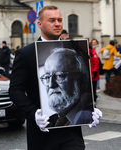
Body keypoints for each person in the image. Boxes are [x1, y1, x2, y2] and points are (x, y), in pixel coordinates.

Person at [9, 6, 102, 150]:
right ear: (39, 24)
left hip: (72, 134)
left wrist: (90, 109)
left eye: (59, 20)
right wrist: (33, 113)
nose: (57, 24)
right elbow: (15, 90)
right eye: (52, 20)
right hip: (42, 135)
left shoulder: (74, 50)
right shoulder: (26, 53)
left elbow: (81, 84)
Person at [40, 48, 93, 127]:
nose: (51, 85)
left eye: (60, 76)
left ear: (80, 79)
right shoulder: (53, 120)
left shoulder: (88, 117)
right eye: (47, 77)